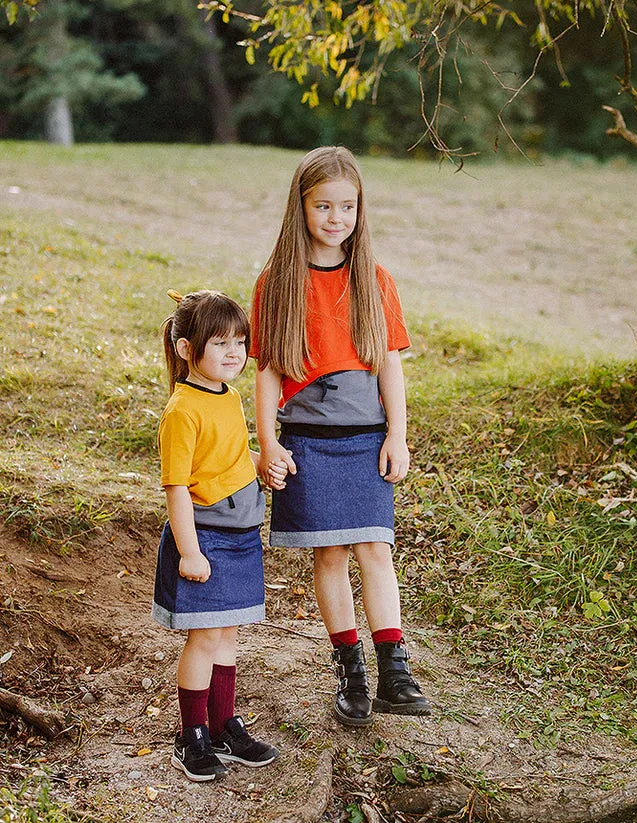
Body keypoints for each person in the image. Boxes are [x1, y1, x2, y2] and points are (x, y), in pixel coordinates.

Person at [250, 146, 431, 727]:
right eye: (323, 205)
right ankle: (349, 668)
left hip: (365, 436)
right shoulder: (277, 283)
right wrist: (268, 443)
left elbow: (390, 366)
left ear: (360, 210)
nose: (335, 217)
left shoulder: (374, 280)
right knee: (329, 553)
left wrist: (397, 435)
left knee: (377, 548)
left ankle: (393, 670)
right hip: (306, 439)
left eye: (347, 206)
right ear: (300, 208)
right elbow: (269, 372)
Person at [152, 289, 284, 781]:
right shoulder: (182, 410)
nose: (235, 352)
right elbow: (178, 487)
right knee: (204, 638)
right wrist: (189, 551)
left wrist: (261, 463)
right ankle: (192, 738)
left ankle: (224, 723)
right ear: (188, 349)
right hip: (205, 538)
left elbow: (226, 459)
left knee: (227, 632)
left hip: (241, 535)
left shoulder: (227, 396)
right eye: (221, 342)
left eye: (240, 341)